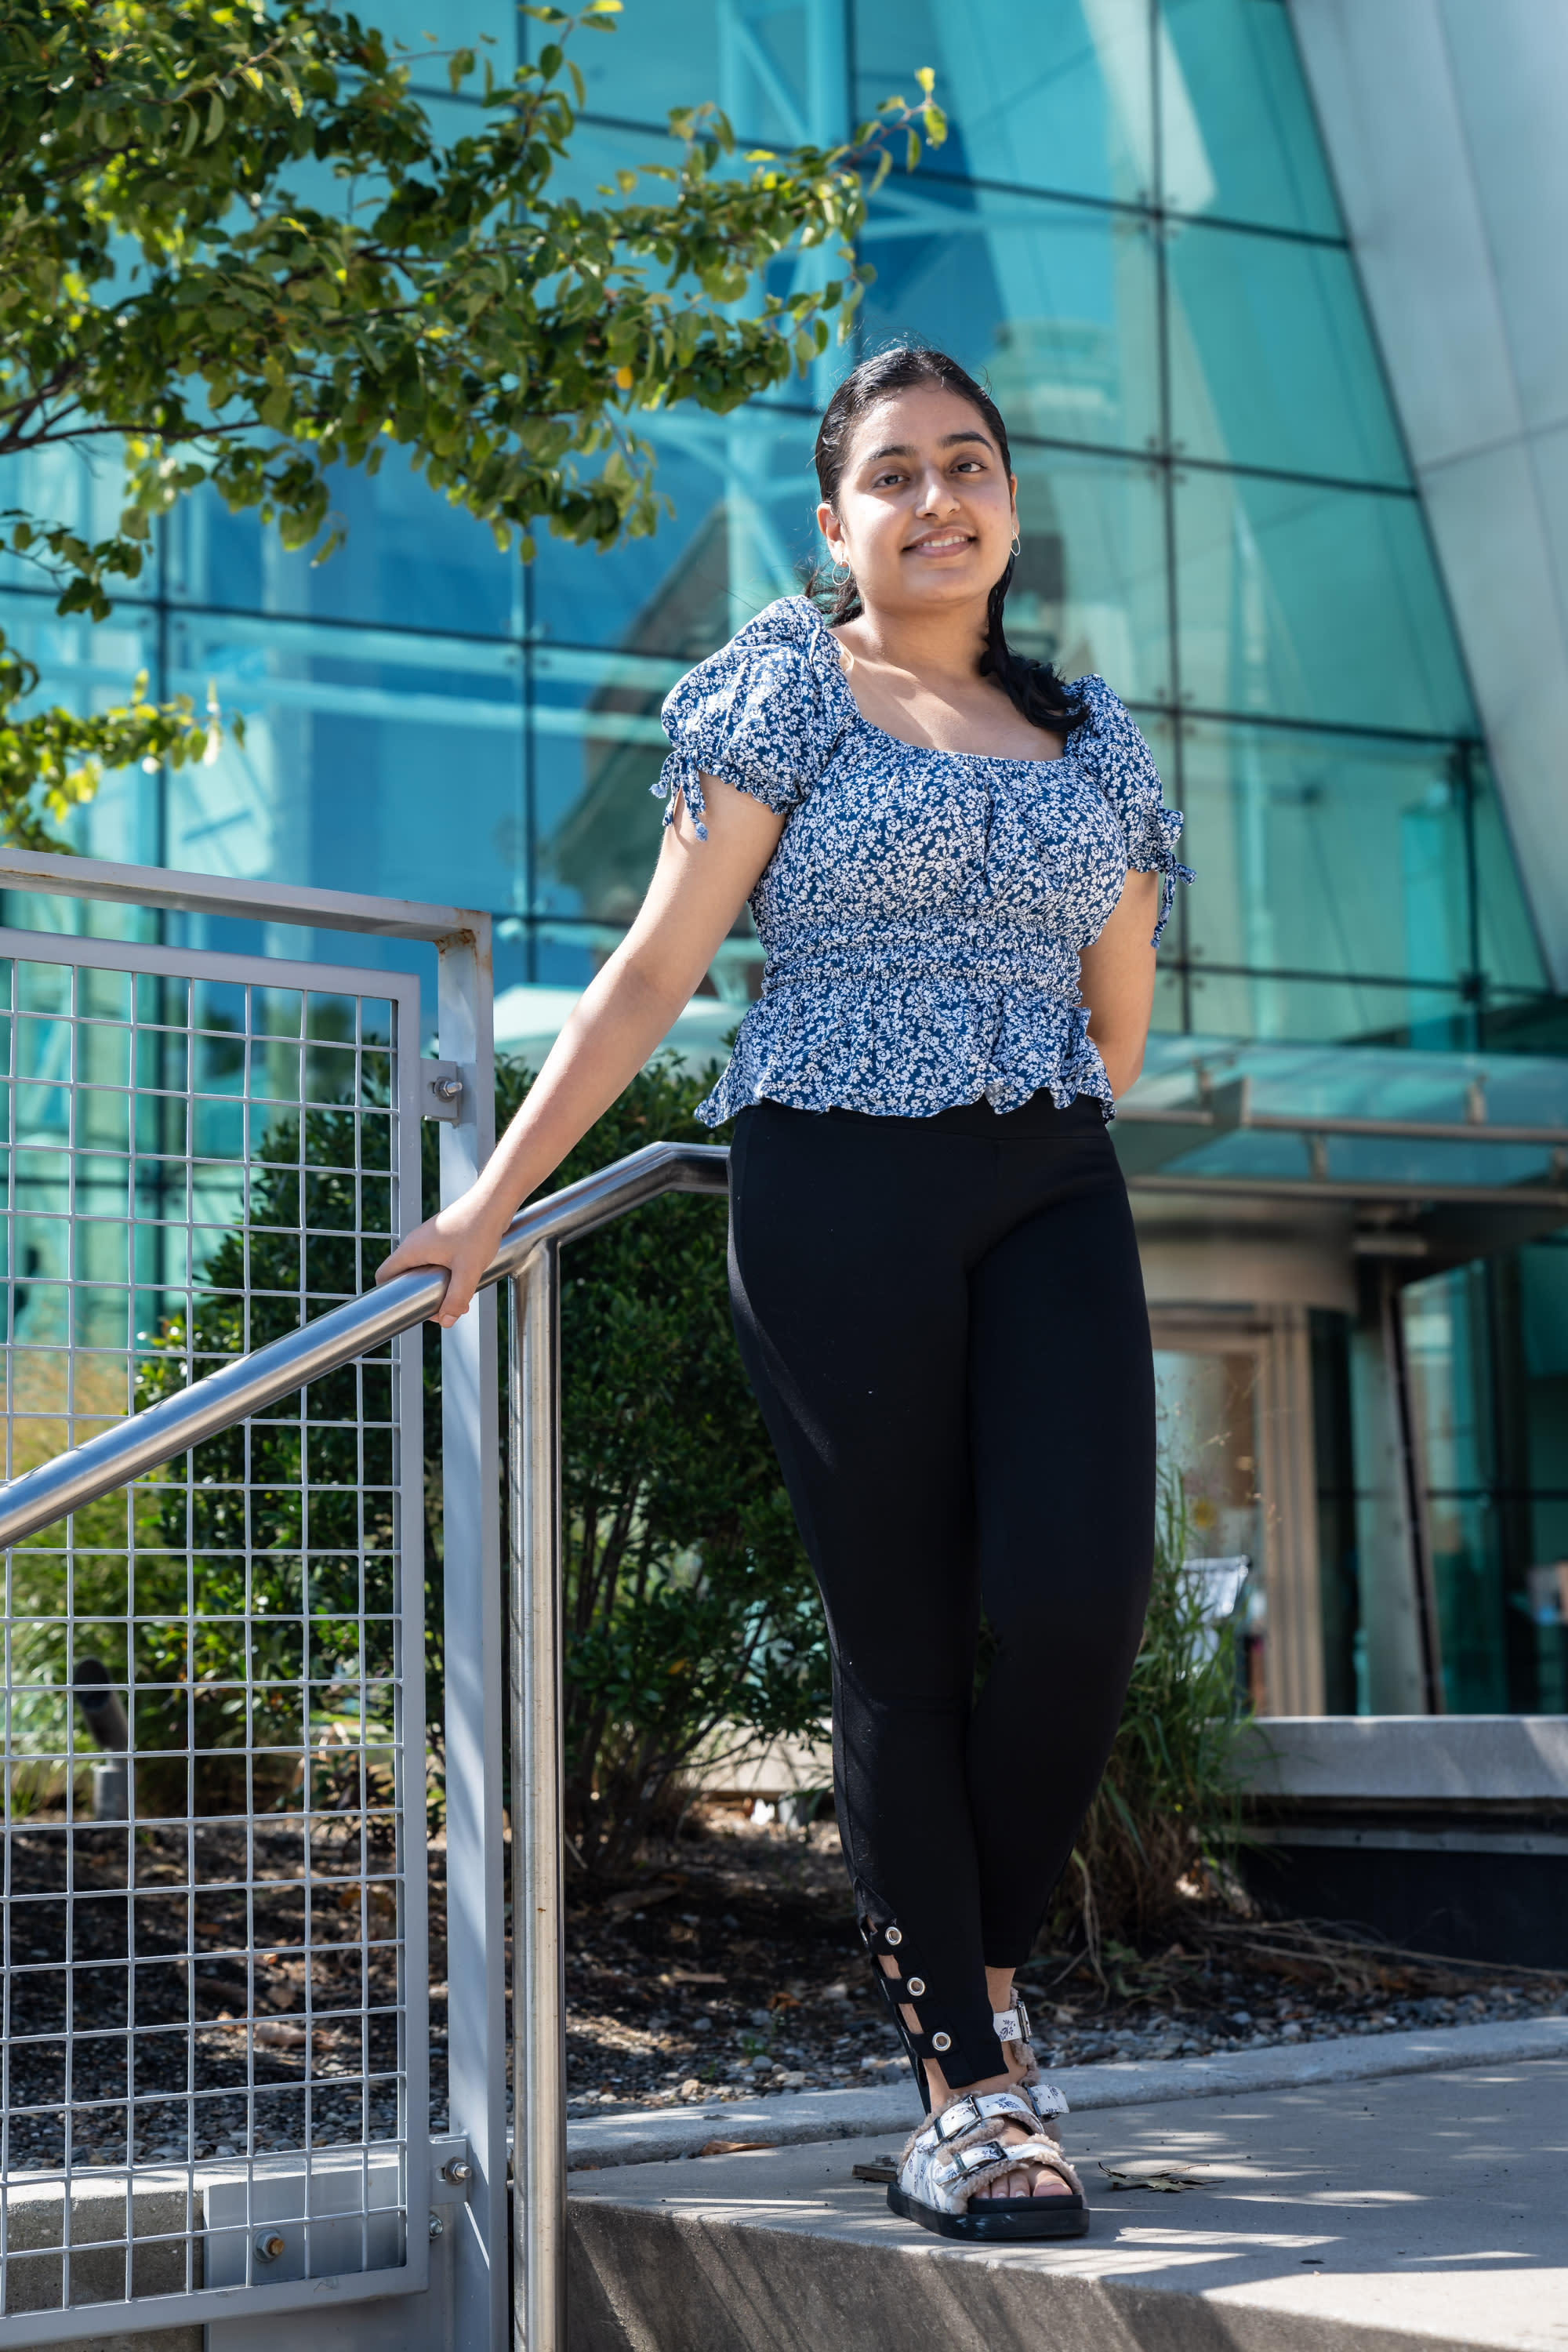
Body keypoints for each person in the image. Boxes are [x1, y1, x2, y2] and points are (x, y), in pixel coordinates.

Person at [378, 343, 1191, 2243]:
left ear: (1007, 503)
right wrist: (492, 1202)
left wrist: (1027, 1079)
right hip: (834, 1173)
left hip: (1053, 1168)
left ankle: (974, 1987)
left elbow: (1125, 1013)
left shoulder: (1098, 736)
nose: (935, 500)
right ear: (836, 522)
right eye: (891, 474)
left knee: (1083, 1597)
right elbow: (656, 970)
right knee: (901, 1641)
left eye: (965, 466)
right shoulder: (784, 692)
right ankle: (969, 2091)